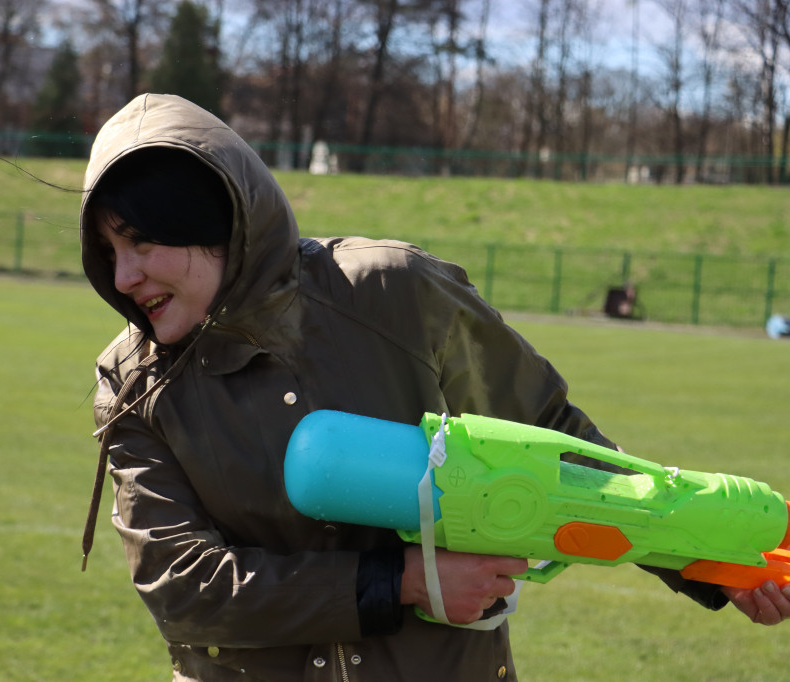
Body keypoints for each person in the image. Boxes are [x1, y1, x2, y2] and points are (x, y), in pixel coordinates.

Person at [77, 94, 790, 681]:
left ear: (218, 218)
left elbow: (557, 438)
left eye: (142, 241)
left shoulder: (393, 292)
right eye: (109, 251)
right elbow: (185, 587)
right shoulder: (132, 384)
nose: (123, 277)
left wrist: (705, 561)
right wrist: (403, 582)